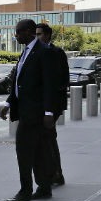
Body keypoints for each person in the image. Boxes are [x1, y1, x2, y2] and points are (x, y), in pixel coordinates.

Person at [0, 19, 54, 201]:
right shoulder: (26, 51)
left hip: (35, 112)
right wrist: (8, 103)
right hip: (25, 110)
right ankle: (44, 187)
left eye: (19, 32)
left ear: (30, 31)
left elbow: (49, 84)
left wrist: (49, 112)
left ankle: (25, 191)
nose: (16, 35)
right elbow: (19, 81)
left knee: (24, 150)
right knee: (38, 151)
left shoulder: (43, 52)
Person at [36, 23, 69, 186]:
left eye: (40, 34)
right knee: (47, 139)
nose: (37, 37)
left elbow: (62, 80)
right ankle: (55, 173)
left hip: (52, 105)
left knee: (47, 138)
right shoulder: (35, 52)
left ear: (48, 35)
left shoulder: (57, 52)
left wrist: (51, 108)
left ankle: (55, 174)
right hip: (39, 104)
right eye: (35, 34)